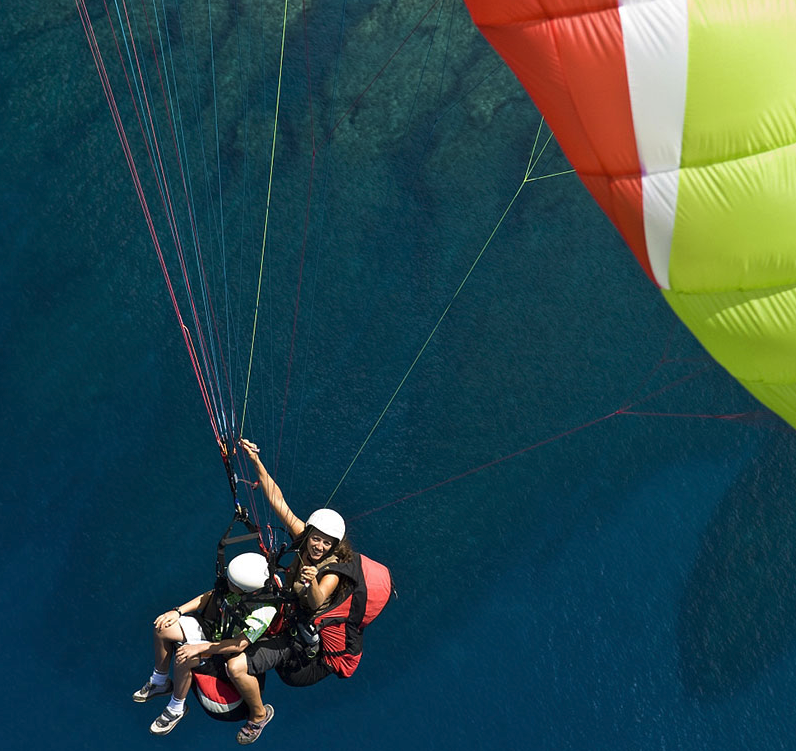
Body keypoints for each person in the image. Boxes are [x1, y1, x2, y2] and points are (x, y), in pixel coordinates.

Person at [219, 438, 354, 743]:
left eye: (326, 543)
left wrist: (311, 581)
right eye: (316, 538)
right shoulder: (302, 539)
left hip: (300, 653)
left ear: (335, 546)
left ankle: (258, 715)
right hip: (285, 618)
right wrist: (255, 461)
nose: (318, 546)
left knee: (236, 666)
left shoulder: (331, 572)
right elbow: (276, 499)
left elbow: (318, 599)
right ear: (309, 534)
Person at [133, 552, 278, 739]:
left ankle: (176, 708)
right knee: (162, 628)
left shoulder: (264, 611)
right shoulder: (239, 584)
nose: (227, 583)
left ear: (246, 590)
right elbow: (211, 596)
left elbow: (237, 645)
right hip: (214, 633)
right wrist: (178, 611)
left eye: (232, 583)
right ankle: (160, 682)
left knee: (185, 657)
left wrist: (199, 648)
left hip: (226, 652)